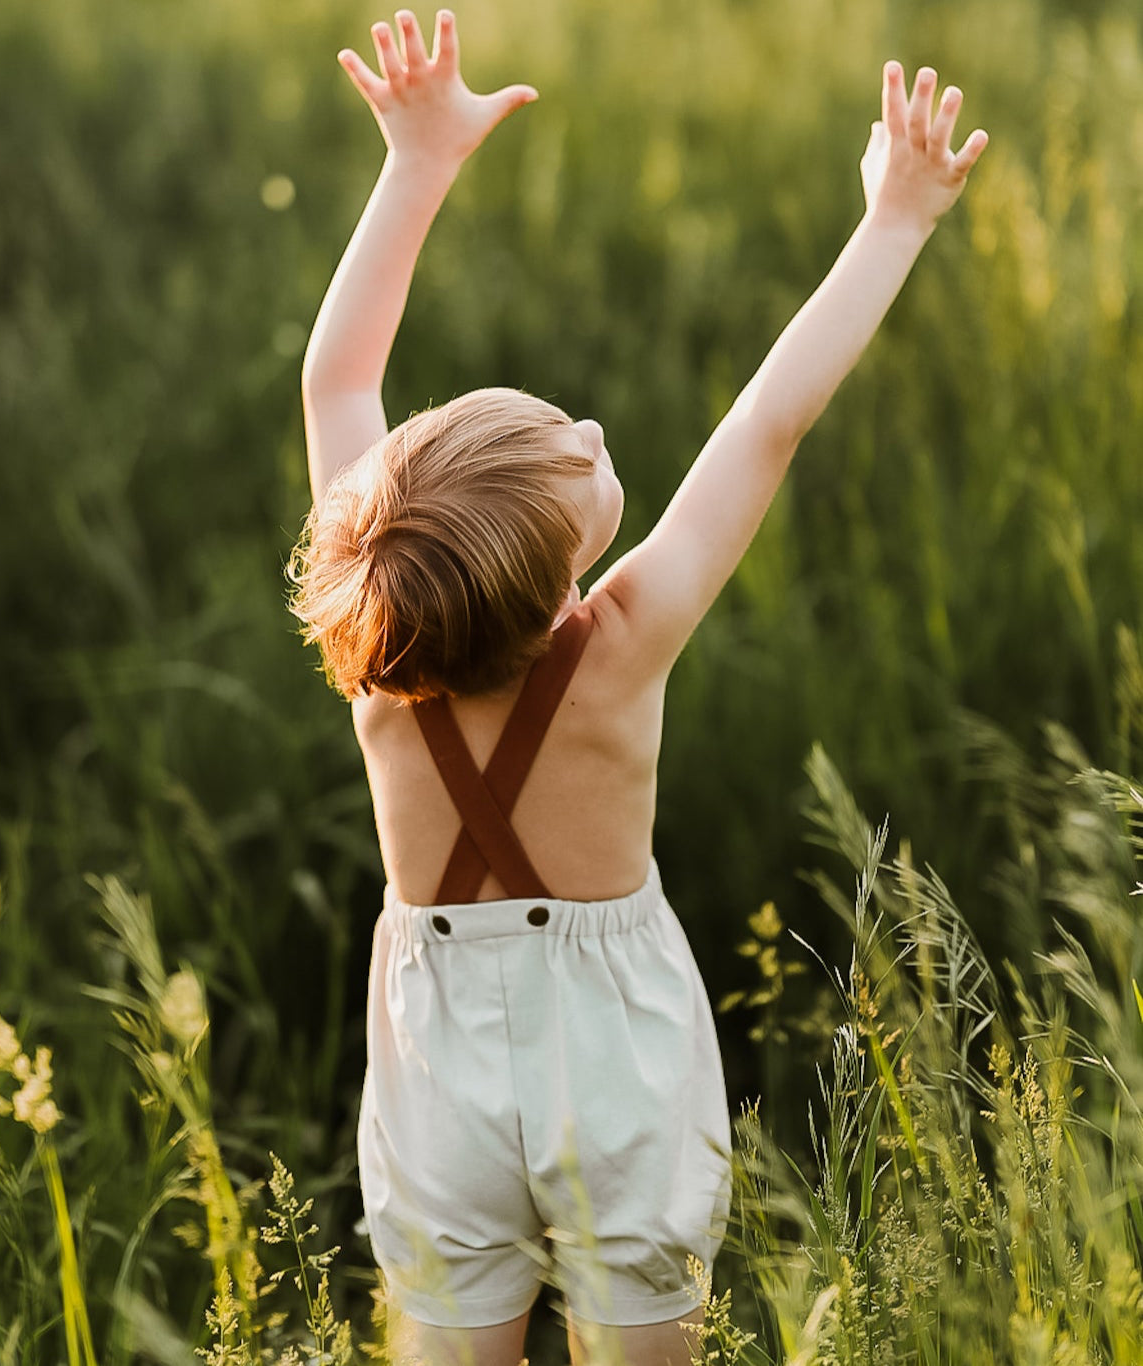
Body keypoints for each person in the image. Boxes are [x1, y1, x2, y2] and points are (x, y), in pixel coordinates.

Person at [289, 11, 987, 1364]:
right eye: (581, 465)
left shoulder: (378, 643)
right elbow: (767, 420)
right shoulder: (617, 643)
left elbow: (339, 374)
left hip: (433, 1057)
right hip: (612, 1058)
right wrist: (891, 221)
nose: (593, 430)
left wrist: (415, 162)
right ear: (558, 596)